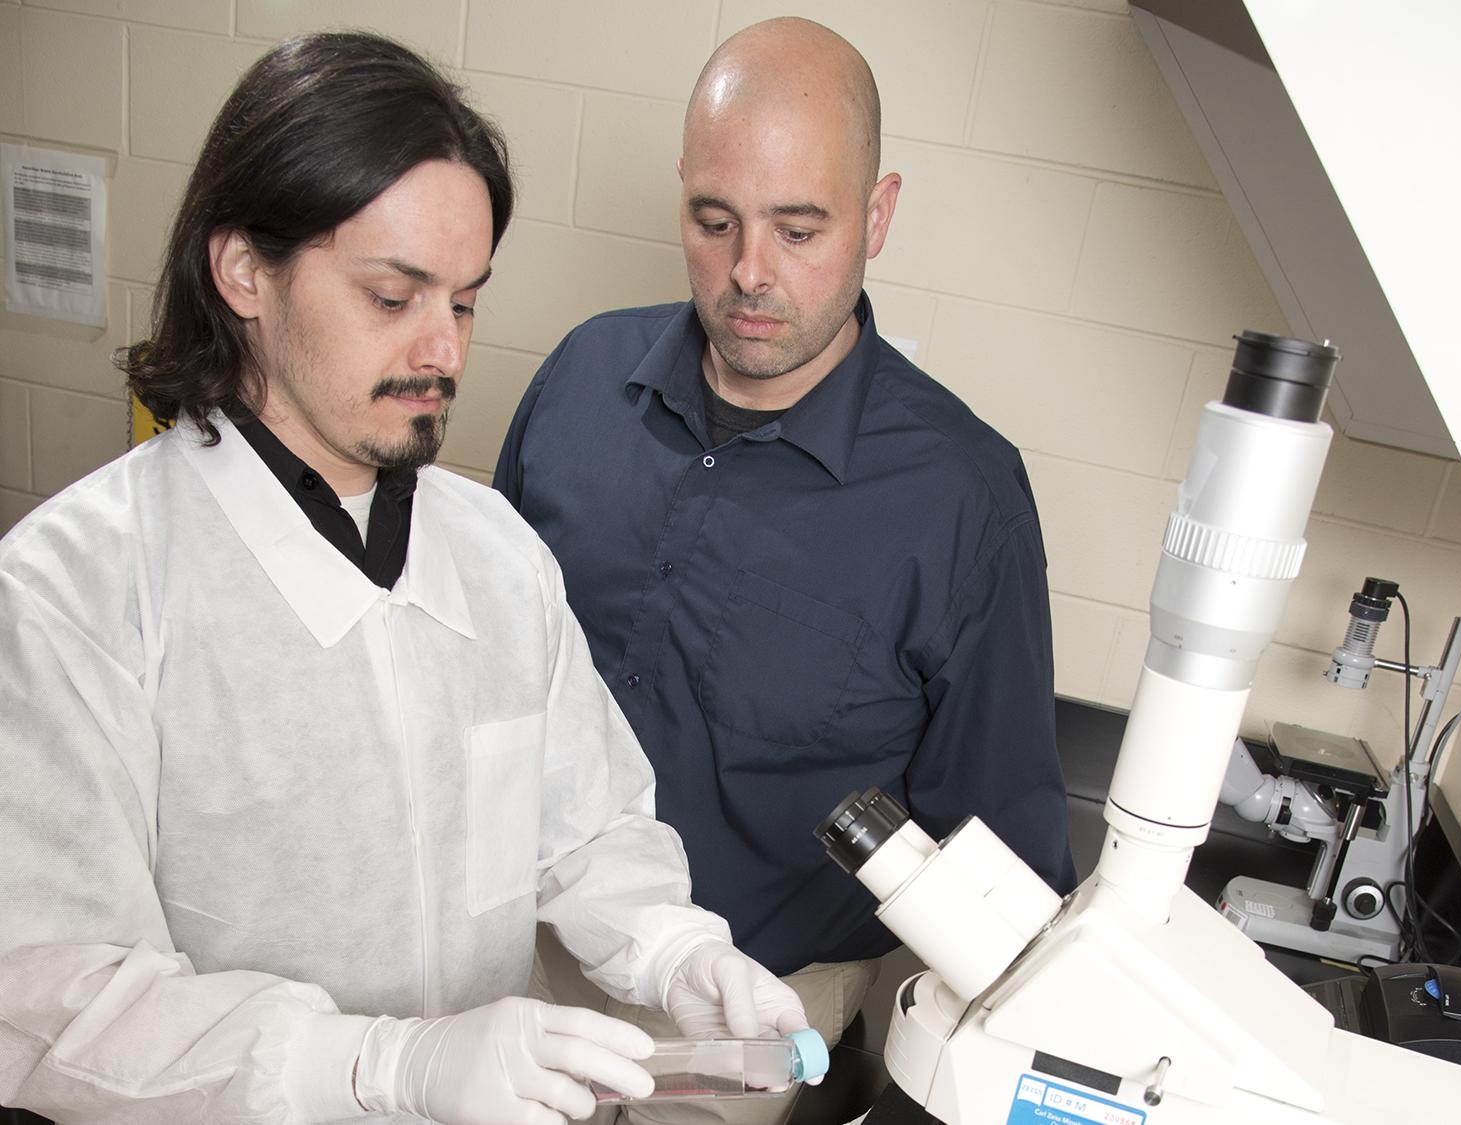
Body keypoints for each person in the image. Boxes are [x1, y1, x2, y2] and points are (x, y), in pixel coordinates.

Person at [0, 31, 808, 1125]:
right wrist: (382, 1069)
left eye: (465, 302)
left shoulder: (495, 554)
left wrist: (674, 955)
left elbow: (586, 832)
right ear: (243, 269)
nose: (444, 352)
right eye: (395, 296)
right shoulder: (73, 596)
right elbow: (53, 1006)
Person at [496, 17, 1075, 1124]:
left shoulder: (962, 498)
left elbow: (999, 862)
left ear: (879, 216)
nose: (749, 274)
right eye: (715, 222)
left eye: (799, 229)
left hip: (752, 1020)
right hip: (530, 963)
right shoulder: (579, 379)